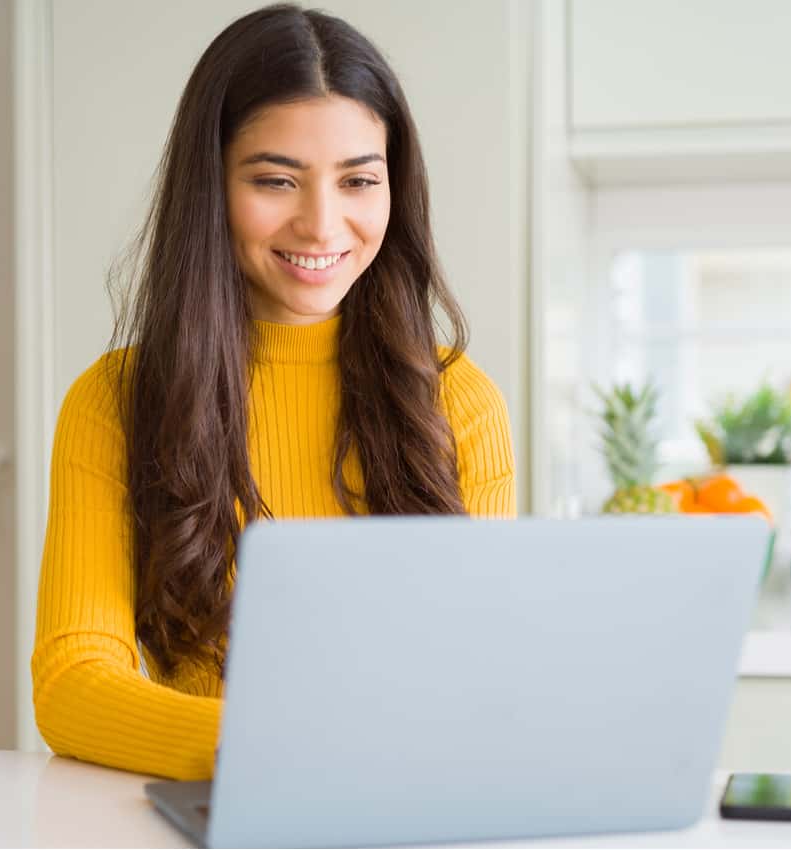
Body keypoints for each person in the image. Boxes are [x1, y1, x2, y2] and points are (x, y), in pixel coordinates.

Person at [31, 3, 515, 780]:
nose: (323, 225)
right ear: (211, 184)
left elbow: (485, 680)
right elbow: (73, 684)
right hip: (216, 804)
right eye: (275, 180)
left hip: (405, 809)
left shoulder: (460, 400)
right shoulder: (115, 400)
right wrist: (270, 750)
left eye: (359, 180)